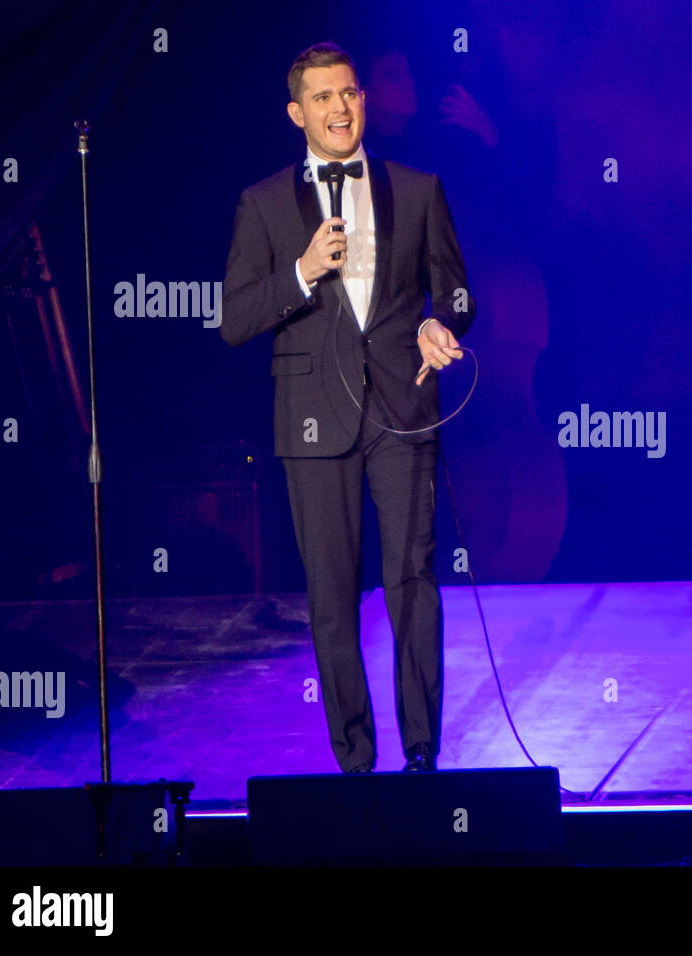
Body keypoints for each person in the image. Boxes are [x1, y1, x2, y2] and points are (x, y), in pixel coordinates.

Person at [220, 41, 475, 773]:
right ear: (297, 113)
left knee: (413, 581)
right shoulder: (264, 204)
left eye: (350, 93)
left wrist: (441, 325)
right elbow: (234, 320)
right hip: (312, 419)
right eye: (323, 98)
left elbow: (456, 293)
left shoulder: (417, 188)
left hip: (404, 406)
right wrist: (299, 273)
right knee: (332, 595)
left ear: (364, 101)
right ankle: (355, 762)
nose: (340, 107)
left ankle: (422, 752)